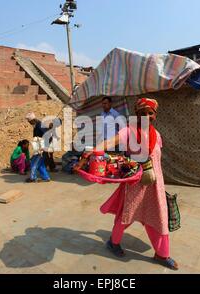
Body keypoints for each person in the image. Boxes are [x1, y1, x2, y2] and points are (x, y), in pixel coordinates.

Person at [75, 98, 179, 270]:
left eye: (150, 113)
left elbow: (156, 160)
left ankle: (162, 254)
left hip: (155, 185)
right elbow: (110, 142)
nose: (146, 116)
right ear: (136, 115)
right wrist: (93, 151)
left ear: (155, 115)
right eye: (142, 113)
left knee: (158, 219)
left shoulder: (157, 135)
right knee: (127, 216)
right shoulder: (129, 131)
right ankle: (113, 243)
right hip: (135, 183)